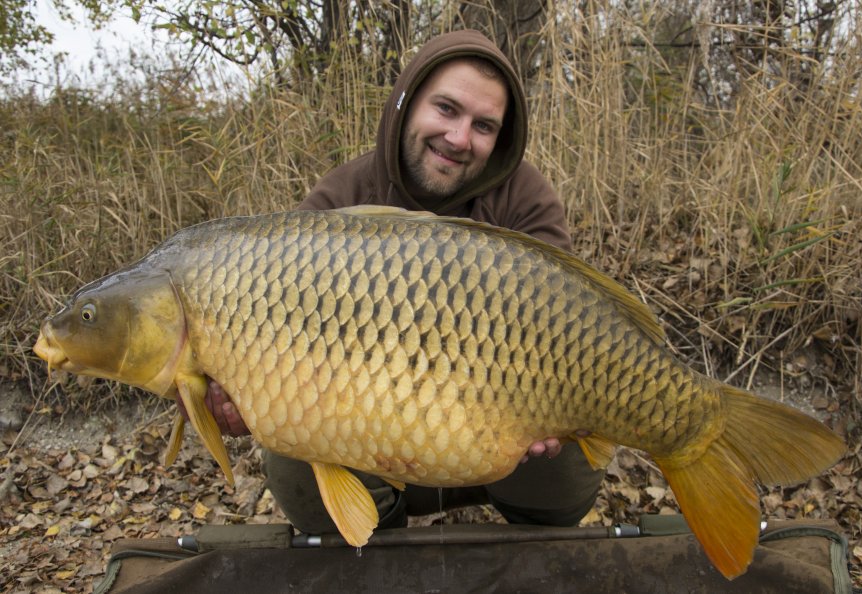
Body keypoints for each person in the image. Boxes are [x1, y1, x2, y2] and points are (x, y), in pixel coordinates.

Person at [181, 29, 604, 534]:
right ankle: (382, 536)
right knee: (292, 457)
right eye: (446, 109)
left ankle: (534, 523)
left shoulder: (527, 201)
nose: (459, 138)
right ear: (406, 103)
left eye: (484, 126)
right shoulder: (340, 198)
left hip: (503, 440)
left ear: (501, 138)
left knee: (568, 466)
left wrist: (557, 407)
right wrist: (245, 397)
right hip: (372, 442)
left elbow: (572, 323)